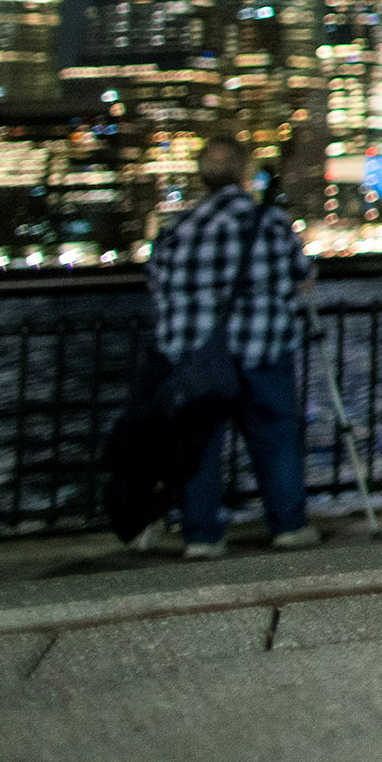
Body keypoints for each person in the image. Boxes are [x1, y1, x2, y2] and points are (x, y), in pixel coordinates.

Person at [147, 136, 317, 558]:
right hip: (263, 347)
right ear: (245, 173)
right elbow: (302, 276)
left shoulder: (178, 229)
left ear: (202, 178)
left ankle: (202, 536)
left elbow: (158, 286)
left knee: (200, 443)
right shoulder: (270, 222)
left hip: (197, 354)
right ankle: (288, 526)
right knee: (275, 435)